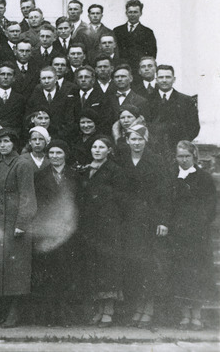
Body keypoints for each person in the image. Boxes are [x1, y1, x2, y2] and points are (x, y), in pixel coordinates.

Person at [118, 124, 171, 329]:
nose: (137, 142)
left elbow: (165, 193)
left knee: (148, 265)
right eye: (133, 139)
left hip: (150, 221)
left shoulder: (156, 161)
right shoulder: (122, 160)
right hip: (129, 220)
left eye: (140, 139)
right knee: (133, 265)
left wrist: (163, 220)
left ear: (146, 141)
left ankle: (147, 309)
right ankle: (137, 308)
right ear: (128, 141)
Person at [0, 127, 37, 328]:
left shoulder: (22, 164)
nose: (3, 145)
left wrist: (21, 224)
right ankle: (7, 309)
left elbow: (28, 196)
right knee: (4, 268)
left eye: (7, 141)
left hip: (16, 223)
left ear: (14, 144)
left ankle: (15, 312)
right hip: (1, 222)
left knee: (17, 269)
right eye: (0, 142)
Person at [77, 135, 125, 327]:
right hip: (90, 226)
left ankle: (109, 311)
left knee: (108, 267)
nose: (97, 150)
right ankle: (98, 310)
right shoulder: (87, 170)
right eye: (94, 147)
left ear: (109, 151)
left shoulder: (114, 171)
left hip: (108, 226)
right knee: (94, 268)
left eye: (101, 147)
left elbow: (120, 198)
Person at [169, 141, 218, 330]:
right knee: (181, 273)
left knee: (197, 274)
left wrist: (197, 223)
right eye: (180, 156)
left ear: (194, 157)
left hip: (197, 235)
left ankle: (196, 316)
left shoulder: (203, 178)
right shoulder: (173, 177)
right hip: (177, 234)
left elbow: (210, 206)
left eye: (187, 156)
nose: (183, 160)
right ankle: (184, 315)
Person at [31, 140, 79, 326]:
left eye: (59, 153)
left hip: (68, 231)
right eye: (52, 153)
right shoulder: (40, 176)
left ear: (65, 154)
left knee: (67, 273)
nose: (55, 156)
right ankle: (48, 316)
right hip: (49, 230)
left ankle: (65, 315)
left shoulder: (75, 175)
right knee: (48, 273)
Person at [113, 0, 156, 69]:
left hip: (138, 69)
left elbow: (152, 54)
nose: (132, 15)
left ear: (140, 13)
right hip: (121, 68)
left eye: (135, 12)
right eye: (130, 12)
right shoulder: (117, 30)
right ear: (126, 13)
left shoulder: (147, 32)